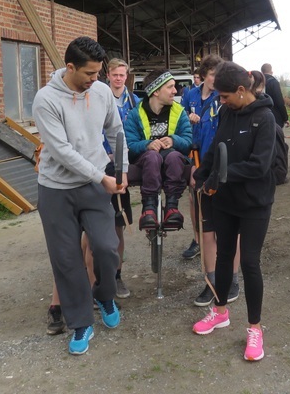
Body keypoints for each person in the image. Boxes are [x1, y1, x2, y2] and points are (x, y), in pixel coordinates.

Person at [33, 36, 128, 355]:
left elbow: (116, 130)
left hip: (95, 184)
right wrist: (101, 176)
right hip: (56, 189)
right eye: (89, 73)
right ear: (69, 67)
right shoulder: (46, 100)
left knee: (106, 247)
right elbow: (60, 151)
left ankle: (104, 294)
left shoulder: (100, 92)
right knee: (66, 259)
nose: (95, 79)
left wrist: (122, 167)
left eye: (99, 72)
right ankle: (81, 323)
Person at [192, 61, 276, 362]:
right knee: (224, 256)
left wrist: (222, 174)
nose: (220, 101)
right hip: (225, 200)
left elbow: (259, 164)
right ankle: (220, 311)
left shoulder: (265, 118)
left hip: (255, 201)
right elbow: (216, 147)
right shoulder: (227, 111)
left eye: (225, 96)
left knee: (250, 262)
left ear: (242, 90)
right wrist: (203, 173)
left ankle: (255, 328)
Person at [182, 54, 241, 306]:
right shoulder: (191, 96)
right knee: (206, 228)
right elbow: (179, 122)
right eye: (212, 74)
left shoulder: (225, 100)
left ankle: (233, 281)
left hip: (222, 167)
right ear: (204, 74)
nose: (215, 79)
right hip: (197, 163)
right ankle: (211, 281)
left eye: (219, 75)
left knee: (228, 230)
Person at [124, 69, 192, 230]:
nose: (175, 91)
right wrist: (147, 145)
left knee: (174, 157)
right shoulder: (135, 114)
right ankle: (149, 208)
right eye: (170, 87)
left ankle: (172, 206)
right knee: (152, 157)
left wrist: (174, 140)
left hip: (172, 158)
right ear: (156, 91)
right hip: (146, 159)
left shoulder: (179, 111)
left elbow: (188, 141)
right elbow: (130, 145)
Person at [104, 58, 139, 298]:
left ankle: (116, 276)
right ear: (107, 75)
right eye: (115, 74)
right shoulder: (97, 98)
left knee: (118, 224)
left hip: (121, 168)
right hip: (100, 165)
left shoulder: (134, 102)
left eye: (122, 75)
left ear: (127, 76)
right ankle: (96, 278)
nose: (118, 78)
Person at [260, 63, 289, 128]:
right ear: (271, 72)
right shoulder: (274, 82)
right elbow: (279, 102)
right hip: (275, 117)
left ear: (261, 72)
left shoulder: (258, 82)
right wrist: (285, 118)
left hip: (260, 116)